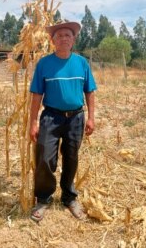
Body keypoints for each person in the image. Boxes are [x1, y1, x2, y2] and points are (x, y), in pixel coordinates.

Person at [29, 21, 97, 222]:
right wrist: (33, 122)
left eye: (68, 35)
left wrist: (91, 117)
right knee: (45, 158)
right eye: (59, 36)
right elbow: (36, 95)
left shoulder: (81, 63)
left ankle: (69, 198)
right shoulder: (44, 64)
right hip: (51, 117)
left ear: (73, 39)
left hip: (76, 117)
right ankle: (43, 198)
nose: (64, 38)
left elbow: (89, 91)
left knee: (71, 157)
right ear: (53, 40)